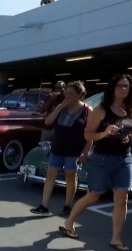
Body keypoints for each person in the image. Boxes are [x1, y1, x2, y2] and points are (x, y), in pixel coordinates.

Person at [60, 74, 132, 251]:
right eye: (120, 85)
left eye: (127, 86)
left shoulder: (130, 110)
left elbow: (126, 136)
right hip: (102, 158)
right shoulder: (100, 111)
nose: (123, 89)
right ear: (113, 88)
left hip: (124, 159)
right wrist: (104, 133)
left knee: (122, 199)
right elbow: (88, 135)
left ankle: (116, 239)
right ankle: (69, 222)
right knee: (94, 195)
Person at [31, 81, 91, 216]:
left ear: (80, 95)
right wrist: (60, 107)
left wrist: (86, 152)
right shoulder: (61, 106)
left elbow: (90, 134)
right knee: (51, 174)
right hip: (57, 148)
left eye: (71, 94)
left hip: (74, 151)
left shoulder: (87, 110)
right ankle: (44, 205)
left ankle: (68, 205)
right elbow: (48, 122)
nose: (68, 96)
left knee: (71, 176)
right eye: (66, 93)